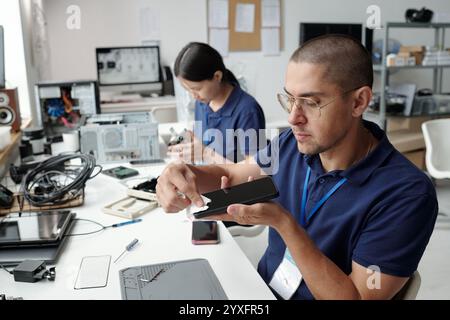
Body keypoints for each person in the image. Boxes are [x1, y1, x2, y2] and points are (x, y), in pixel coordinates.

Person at [156, 35, 438, 300]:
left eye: (311, 102)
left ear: (359, 101)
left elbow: (359, 296)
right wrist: (185, 173)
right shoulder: (292, 143)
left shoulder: (405, 193)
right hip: (262, 290)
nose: (293, 117)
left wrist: (285, 225)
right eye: (290, 98)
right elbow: (233, 175)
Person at [170, 42, 266, 164]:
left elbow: (254, 171)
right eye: (188, 90)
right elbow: (206, 142)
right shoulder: (202, 103)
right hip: (207, 179)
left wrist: (205, 153)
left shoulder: (248, 111)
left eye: (196, 89)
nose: (193, 95)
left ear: (217, 76)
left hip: (236, 183)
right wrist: (190, 143)